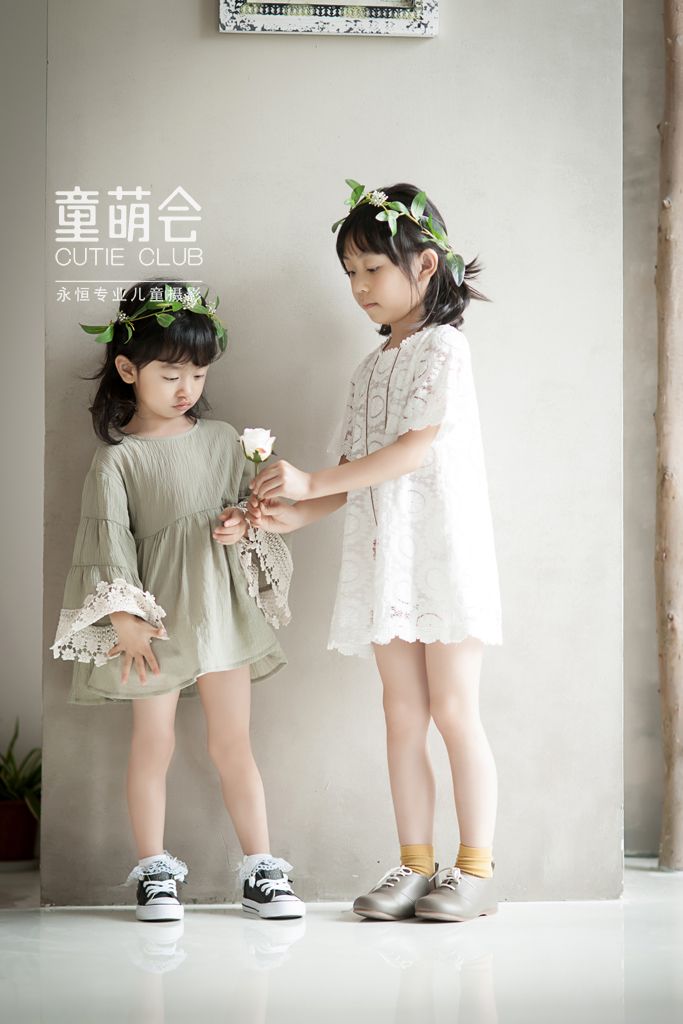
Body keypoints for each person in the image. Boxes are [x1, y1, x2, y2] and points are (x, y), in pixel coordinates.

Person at [248, 183, 502, 923]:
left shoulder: (444, 348)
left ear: (424, 265)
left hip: (441, 554)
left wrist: (312, 482)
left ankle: (475, 871)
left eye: (371, 269)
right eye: (349, 273)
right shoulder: (367, 369)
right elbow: (353, 473)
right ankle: (414, 867)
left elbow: (412, 451)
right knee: (401, 714)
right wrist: (291, 513)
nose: (359, 287)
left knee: (454, 709)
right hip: (387, 559)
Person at [51, 280, 304, 922]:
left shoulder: (221, 439)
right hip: (156, 625)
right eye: (170, 375)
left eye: (197, 373)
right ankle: (154, 871)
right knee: (153, 742)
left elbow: (255, 510)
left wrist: (242, 523)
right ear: (128, 370)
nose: (186, 387)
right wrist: (125, 619)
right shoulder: (117, 459)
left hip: (221, 614)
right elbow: (107, 544)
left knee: (233, 742)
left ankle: (261, 869)